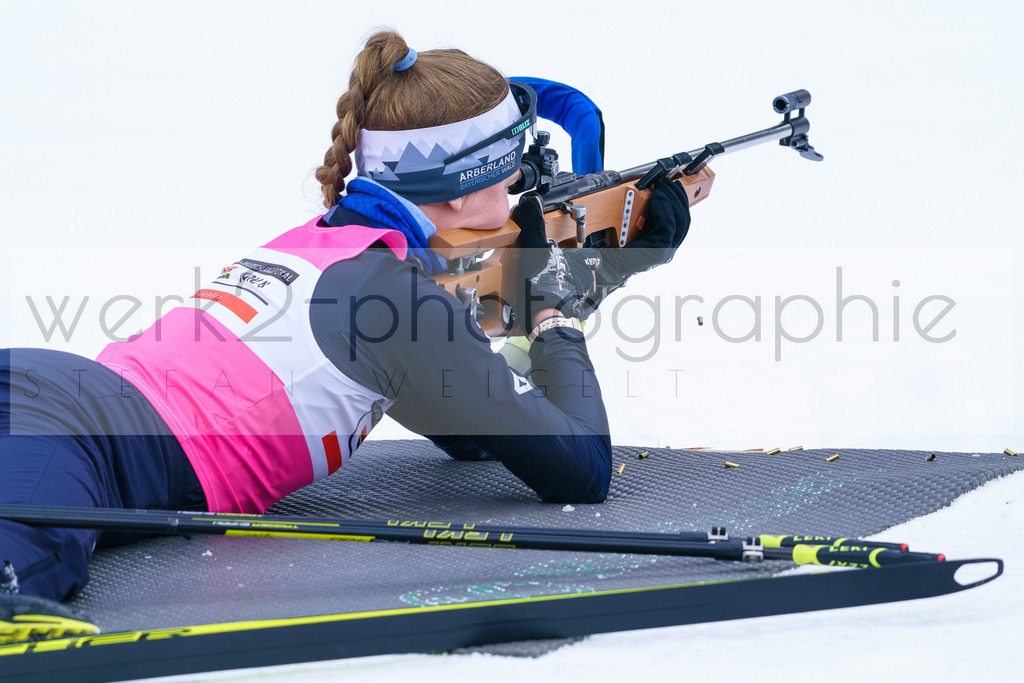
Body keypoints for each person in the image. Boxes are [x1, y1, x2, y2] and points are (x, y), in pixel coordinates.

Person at [0, 30, 689, 643]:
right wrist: (555, 308)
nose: (520, 195)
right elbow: (582, 467)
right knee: (22, 564)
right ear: (457, 188)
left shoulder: (343, 245)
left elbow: (480, 431)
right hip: (81, 433)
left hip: (63, 405)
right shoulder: (394, 294)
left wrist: (591, 283)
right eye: (511, 174)